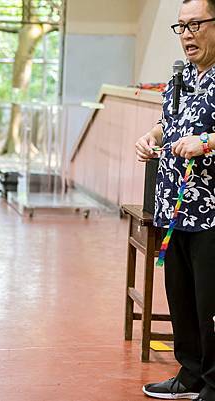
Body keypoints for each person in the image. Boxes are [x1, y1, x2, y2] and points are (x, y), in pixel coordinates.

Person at [136, 1, 215, 400]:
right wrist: (152, 137)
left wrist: (205, 142)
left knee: (209, 305)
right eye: (180, 26)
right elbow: (169, 122)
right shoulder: (183, 77)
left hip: (212, 215)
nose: (186, 34)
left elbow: (202, 135)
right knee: (181, 297)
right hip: (174, 207)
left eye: (196, 24)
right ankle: (191, 373)